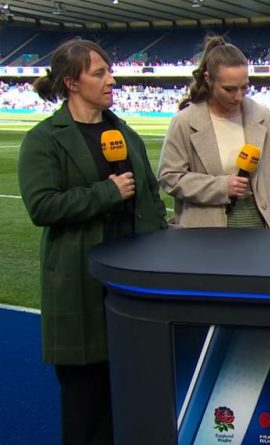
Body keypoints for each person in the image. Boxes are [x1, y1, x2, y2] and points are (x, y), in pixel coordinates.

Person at [17, 38, 167, 444]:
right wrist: (106, 193)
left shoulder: (123, 131)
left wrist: (161, 245)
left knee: (128, 400)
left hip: (131, 285)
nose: (111, 80)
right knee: (84, 402)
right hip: (79, 285)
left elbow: (149, 193)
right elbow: (42, 207)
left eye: (109, 70)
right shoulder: (45, 140)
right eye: (99, 73)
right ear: (70, 82)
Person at [158, 36, 270, 229]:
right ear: (208, 79)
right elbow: (169, 177)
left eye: (245, 87)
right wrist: (221, 187)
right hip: (204, 233)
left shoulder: (263, 117)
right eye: (229, 89)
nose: (238, 96)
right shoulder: (184, 121)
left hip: (260, 228)